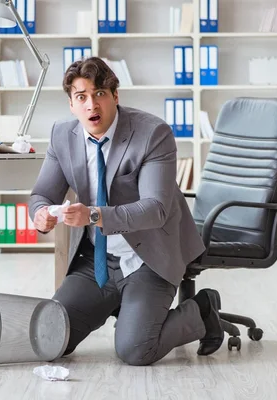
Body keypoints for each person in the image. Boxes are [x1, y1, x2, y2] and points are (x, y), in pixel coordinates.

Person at [28, 57, 224, 366]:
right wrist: (40, 214)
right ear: (71, 105)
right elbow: (41, 194)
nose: (92, 104)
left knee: (135, 351)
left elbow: (156, 209)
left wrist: (94, 215)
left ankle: (201, 310)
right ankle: (121, 305)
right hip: (97, 260)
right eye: (81, 97)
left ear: (115, 96)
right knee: (50, 339)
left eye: (100, 93)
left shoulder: (152, 133)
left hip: (148, 256)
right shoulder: (62, 136)